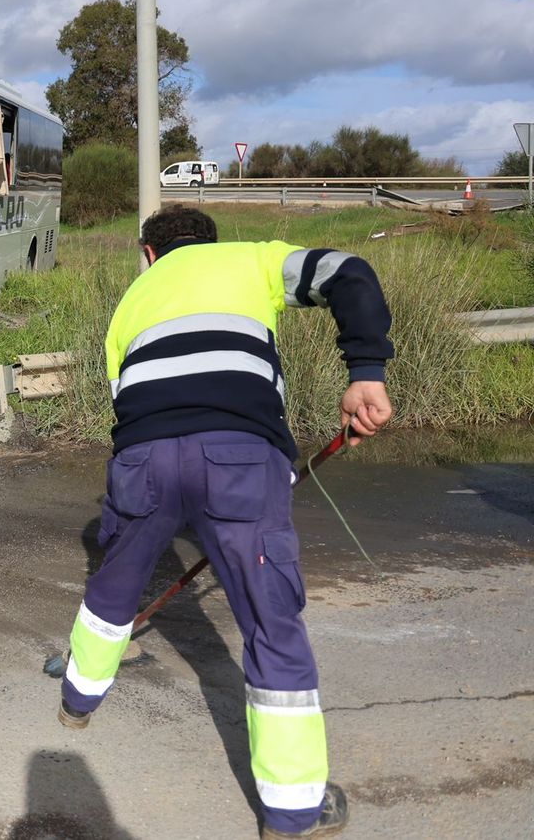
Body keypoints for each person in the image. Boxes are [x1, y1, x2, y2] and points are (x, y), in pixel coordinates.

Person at [55, 204, 394, 839]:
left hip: (142, 458)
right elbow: (349, 272)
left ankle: (77, 699)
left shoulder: (130, 303)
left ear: (150, 256)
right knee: (270, 621)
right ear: (212, 242)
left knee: (114, 585)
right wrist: (365, 373)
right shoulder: (254, 259)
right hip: (239, 457)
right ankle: (292, 813)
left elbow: (127, 403)